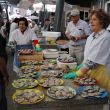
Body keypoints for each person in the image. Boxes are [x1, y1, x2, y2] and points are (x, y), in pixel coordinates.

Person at [64, 9, 110, 98]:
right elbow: (89, 56)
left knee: (102, 99)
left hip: (102, 74)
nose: (91, 22)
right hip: (91, 72)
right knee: (91, 97)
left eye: (94, 19)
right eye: (90, 20)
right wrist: (82, 64)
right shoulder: (92, 36)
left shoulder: (106, 37)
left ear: (102, 22)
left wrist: (77, 73)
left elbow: (93, 61)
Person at [0, 14, 9, 110]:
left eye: (24, 24)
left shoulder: (30, 31)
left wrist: (37, 46)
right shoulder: (15, 32)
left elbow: (35, 40)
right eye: (20, 24)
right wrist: (5, 75)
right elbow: (1, 59)